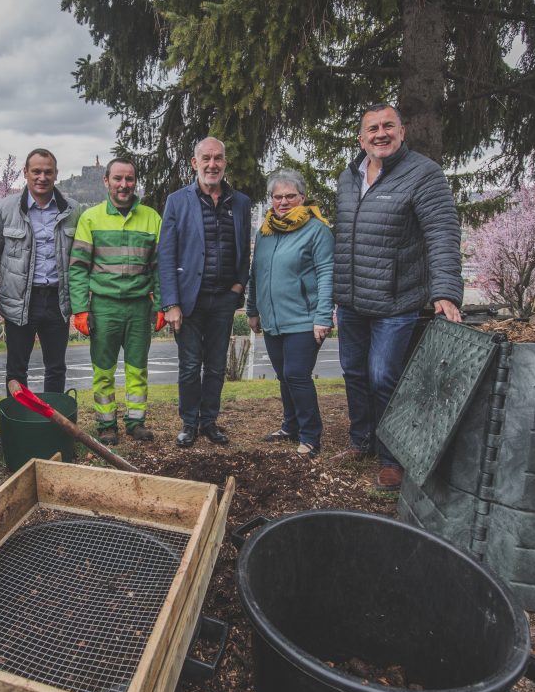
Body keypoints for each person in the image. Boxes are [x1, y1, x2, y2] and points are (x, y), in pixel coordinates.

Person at [334, 103, 463, 491]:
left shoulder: (423, 174)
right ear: (361, 139)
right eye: (372, 128)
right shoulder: (348, 177)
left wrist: (444, 290)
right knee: (355, 374)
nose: (380, 133)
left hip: (396, 300)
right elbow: (343, 239)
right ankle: (363, 440)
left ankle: (393, 459)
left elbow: (442, 232)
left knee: (384, 376)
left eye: (388, 125)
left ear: (402, 132)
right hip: (352, 299)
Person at [158, 137, 252, 447]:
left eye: (218, 158)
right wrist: (170, 303)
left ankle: (209, 420)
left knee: (215, 365)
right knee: (189, 364)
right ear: (194, 163)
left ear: (225, 163)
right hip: (188, 301)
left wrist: (238, 286)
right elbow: (167, 254)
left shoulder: (240, 202)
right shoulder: (177, 200)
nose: (213, 164)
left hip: (223, 299)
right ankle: (189, 422)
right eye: (206, 159)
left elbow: (243, 250)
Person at [68, 158, 164, 444]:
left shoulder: (151, 218)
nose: (124, 185)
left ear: (136, 182)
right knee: (103, 371)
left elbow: (160, 267)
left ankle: (136, 422)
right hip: (104, 306)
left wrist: (160, 304)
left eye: (130, 179)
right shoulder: (91, 218)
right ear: (106, 181)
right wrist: (80, 309)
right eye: (118, 179)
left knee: (137, 368)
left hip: (138, 307)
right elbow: (78, 267)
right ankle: (106, 425)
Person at [246, 170, 334, 457]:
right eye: (277, 197)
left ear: (302, 198)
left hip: (304, 320)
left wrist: (323, 317)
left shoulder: (317, 230)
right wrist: (253, 310)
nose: (283, 202)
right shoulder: (265, 231)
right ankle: (290, 426)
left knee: (297, 375)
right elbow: (256, 272)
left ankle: (310, 436)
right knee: (284, 376)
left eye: (290, 196)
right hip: (272, 320)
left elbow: (325, 274)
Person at [0, 148, 80, 395]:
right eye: (36, 171)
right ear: (25, 172)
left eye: (48, 172)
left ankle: (52, 426)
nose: (42, 177)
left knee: (56, 367)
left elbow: (80, 256)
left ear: (56, 174)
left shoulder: (74, 211)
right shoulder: (4, 209)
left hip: (58, 300)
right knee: (16, 369)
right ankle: (18, 424)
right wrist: (16, 278)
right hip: (20, 300)